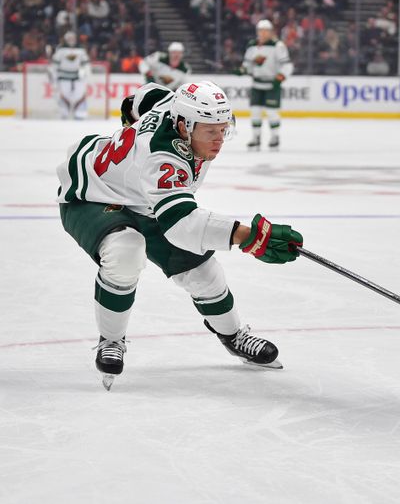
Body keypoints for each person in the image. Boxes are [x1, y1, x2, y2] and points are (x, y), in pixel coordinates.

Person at [56, 81, 304, 390]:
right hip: (90, 194)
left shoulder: (175, 103)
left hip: (144, 198)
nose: (219, 140)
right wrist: (249, 235)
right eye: (210, 131)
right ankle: (111, 340)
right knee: (125, 251)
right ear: (185, 126)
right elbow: (182, 226)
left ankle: (233, 335)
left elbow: (145, 95)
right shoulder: (162, 157)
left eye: (223, 129)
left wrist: (130, 117)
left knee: (204, 274)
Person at [239, 20, 294, 151]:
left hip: (272, 84)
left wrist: (279, 78)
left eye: (265, 30)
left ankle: (275, 137)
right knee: (255, 112)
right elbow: (248, 65)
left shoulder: (278, 46)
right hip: (257, 83)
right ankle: (256, 137)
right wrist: (242, 70)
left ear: (270, 32)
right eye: (260, 30)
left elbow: (287, 65)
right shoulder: (252, 45)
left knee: (272, 112)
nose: (262, 33)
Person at [49, 31, 91, 120]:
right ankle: (63, 112)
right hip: (63, 77)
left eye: (73, 38)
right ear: (65, 39)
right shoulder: (60, 50)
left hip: (77, 77)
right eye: (69, 38)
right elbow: (55, 64)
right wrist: (54, 74)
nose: (71, 40)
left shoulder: (81, 50)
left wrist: (86, 72)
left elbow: (85, 63)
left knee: (79, 94)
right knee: (64, 94)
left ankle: (80, 112)